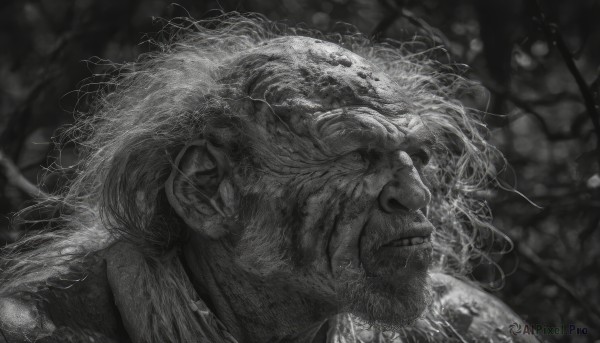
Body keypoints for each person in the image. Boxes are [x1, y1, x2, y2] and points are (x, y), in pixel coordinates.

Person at [0, 14, 538, 343]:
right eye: (357, 156)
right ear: (207, 190)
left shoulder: (464, 328)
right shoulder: (46, 328)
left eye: (416, 155)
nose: (415, 193)